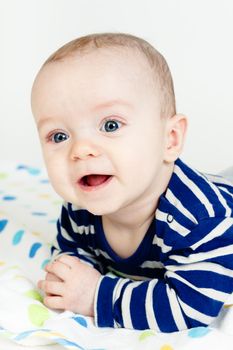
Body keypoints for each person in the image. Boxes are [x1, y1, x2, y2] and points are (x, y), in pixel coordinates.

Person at [31, 32, 233, 332]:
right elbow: (73, 257)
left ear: (170, 139)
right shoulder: (79, 208)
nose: (80, 150)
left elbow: (190, 308)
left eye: (110, 125)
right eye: (59, 136)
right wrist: (69, 277)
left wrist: (95, 295)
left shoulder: (200, 221)